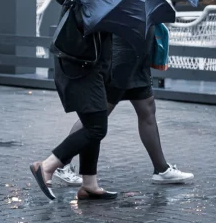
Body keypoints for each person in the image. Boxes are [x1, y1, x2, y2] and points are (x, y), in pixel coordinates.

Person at [54, 27, 194, 186]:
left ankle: (161, 170)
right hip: (123, 56)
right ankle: (60, 164)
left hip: (138, 57)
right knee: (97, 115)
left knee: (147, 108)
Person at [29, 0, 118, 201]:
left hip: (83, 66)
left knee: (91, 125)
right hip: (81, 68)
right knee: (97, 128)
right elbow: (90, 21)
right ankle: (47, 166)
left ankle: (89, 184)